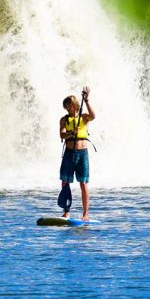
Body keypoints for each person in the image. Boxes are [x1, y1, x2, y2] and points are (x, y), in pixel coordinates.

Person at [58, 86, 95, 220]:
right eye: (66, 107)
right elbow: (61, 135)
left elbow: (93, 116)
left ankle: (85, 214)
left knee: (83, 183)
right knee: (65, 182)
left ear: (75, 105)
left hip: (82, 154)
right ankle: (66, 211)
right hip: (69, 153)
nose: (68, 109)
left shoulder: (84, 118)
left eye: (70, 106)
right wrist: (70, 133)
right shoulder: (64, 120)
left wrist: (87, 100)